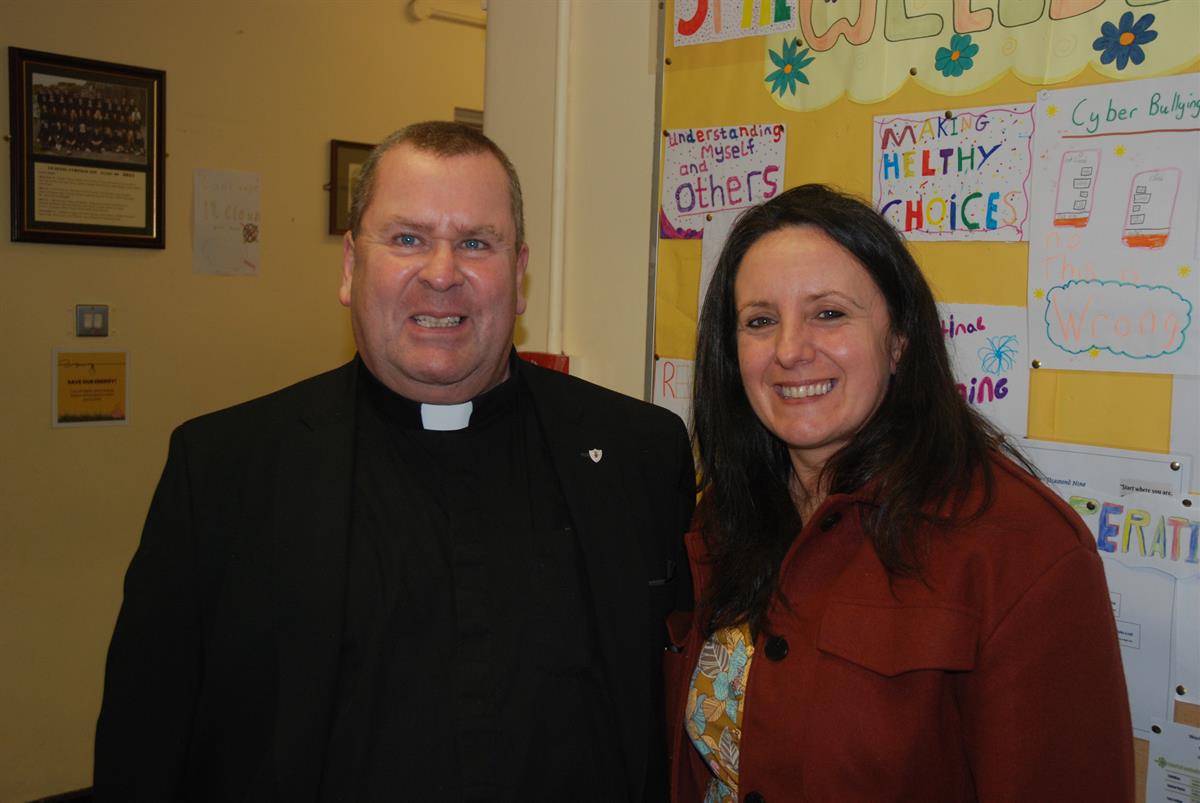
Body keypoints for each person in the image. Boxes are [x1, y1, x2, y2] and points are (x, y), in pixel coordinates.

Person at [95, 121, 695, 802]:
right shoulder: (222, 472)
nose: (442, 274)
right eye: (408, 238)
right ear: (351, 266)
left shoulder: (638, 455)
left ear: (519, 274)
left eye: (476, 243)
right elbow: (143, 748)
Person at [665, 184, 1134, 802]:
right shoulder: (725, 515)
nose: (789, 350)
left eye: (828, 314)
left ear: (899, 341)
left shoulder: (1023, 550)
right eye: (760, 321)